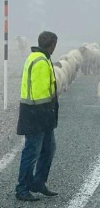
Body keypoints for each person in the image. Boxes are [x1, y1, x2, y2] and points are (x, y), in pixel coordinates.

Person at [15, 31, 59, 202]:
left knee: (49, 148)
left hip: (38, 113)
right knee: (32, 151)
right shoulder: (40, 61)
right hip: (37, 114)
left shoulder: (38, 57)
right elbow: (40, 93)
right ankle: (22, 188)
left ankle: (38, 182)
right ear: (52, 44)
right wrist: (48, 113)